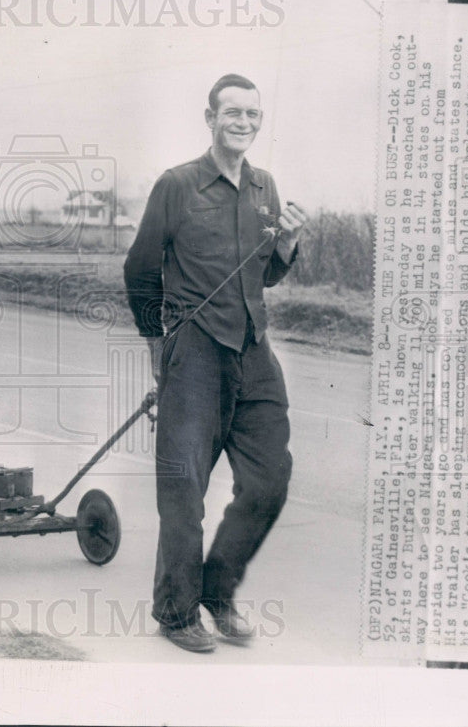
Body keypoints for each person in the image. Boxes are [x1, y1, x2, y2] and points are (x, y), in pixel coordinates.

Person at [123, 74, 307, 653]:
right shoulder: (177, 185)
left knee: (269, 478)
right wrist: (159, 342)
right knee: (185, 488)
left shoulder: (265, 187)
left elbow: (267, 275)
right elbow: (140, 271)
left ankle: (217, 591)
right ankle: (176, 611)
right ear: (210, 118)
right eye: (233, 112)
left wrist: (286, 247)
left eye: (254, 114)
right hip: (195, 348)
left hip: (254, 351)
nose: (244, 122)